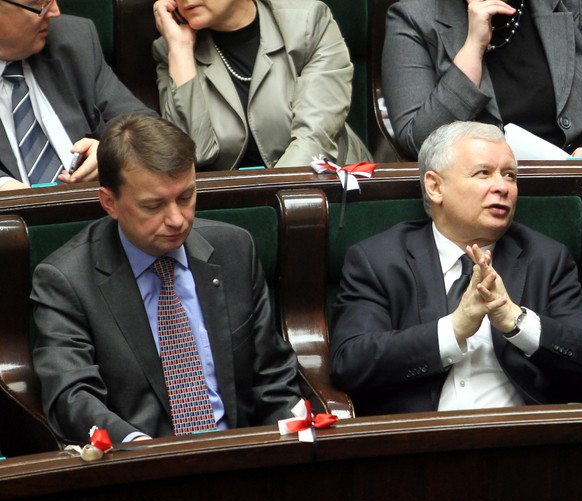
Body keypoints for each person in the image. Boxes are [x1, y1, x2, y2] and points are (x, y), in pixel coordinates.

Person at [31, 113, 301, 444]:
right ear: (110, 203)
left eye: (186, 197)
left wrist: (290, 443)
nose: (177, 219)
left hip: (239, 458)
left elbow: (272, 377)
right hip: (139, 471)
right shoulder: (66, 280)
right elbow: (71, 397)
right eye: (154, 205)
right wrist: (133, 446)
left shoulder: (233, 250)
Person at [329, 121, 582, 416]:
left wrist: (517, 322)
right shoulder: (378, 259)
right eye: (484, 173)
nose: (502, 187)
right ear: (435, 187)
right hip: (418, 441)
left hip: (522, 440)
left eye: (510, 176)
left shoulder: (545, 258)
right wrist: (453, 330)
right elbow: (350, 364)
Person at [381, 0, 582, 161]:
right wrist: (473, 48)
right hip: (479, 196)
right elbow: (417, 141)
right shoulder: (413, 17)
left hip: (580, 183)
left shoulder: (570, 3)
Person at [152, 0, 371, 172]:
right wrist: (181, 49)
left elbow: (314, 139)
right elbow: (195, 155)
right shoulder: (173, 49)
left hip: (330, 188)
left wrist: (268, 195)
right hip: (232, 203)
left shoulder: (307, 23)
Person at [0, 0, 154, 191]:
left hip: (100, 210)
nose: (55, 12)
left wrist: (111, 151)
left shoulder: (72, 39)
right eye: (40, 4)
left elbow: (146, 126)